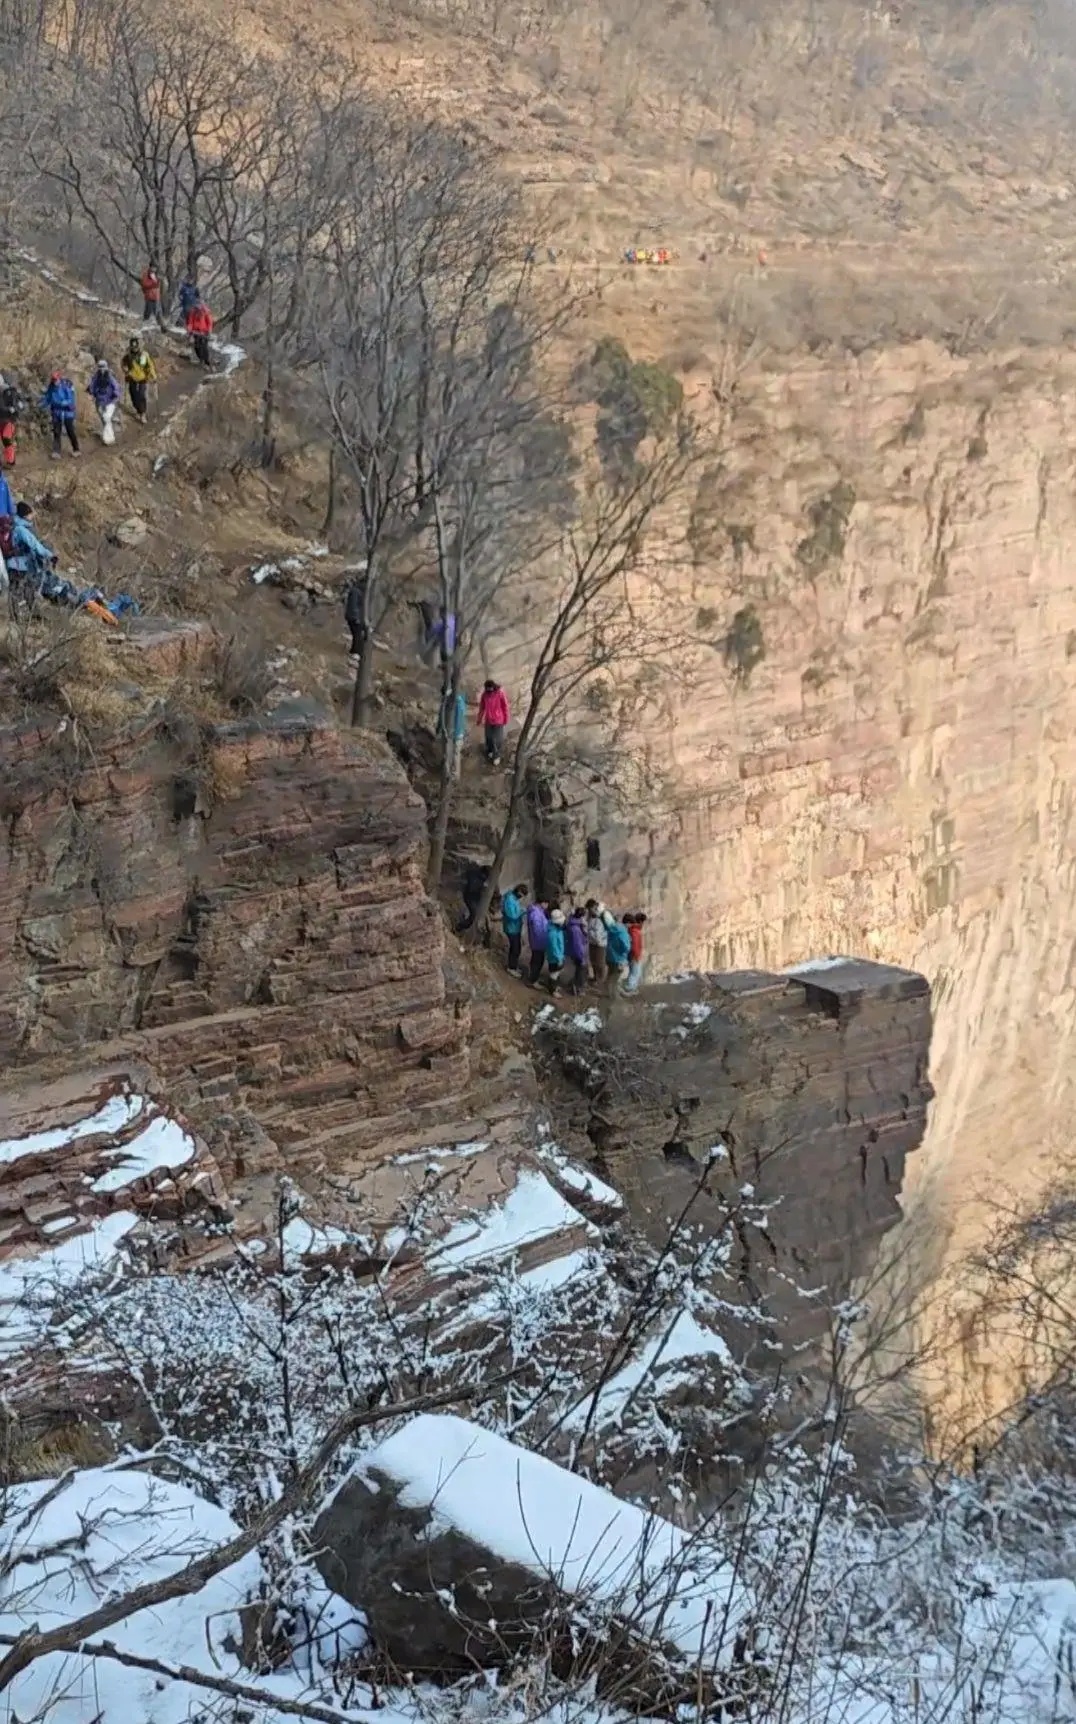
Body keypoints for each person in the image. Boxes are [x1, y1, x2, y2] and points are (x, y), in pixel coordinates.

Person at [5, 501, 58, 584]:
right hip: (18, 563)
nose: (32, 515)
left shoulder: (14, 522)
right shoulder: (21, 530)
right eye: (30, 514)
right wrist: (50, 555)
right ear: (25, 516)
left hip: (13, 560)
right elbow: (34, 545)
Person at [41, 371, 79, 459]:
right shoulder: (51, 387)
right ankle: (56, 451)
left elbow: (71, 399)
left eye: (56, 380)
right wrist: (42, 405)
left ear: (59, 379)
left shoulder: (65, 386)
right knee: (56, 432)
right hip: (56, 412)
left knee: (70, 431)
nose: (55, 382)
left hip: (67, 412)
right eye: (53, 380)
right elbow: (48, 398)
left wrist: (63, 403)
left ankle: (76, 449)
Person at [122, 337, 156, 423]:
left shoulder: (144, 355)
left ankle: (143, 413)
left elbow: (150, 365)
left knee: (141, 395)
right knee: (134, 396)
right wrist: (125, 370)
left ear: (138, 346)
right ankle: (138, 410)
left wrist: (153, 375)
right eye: (132, 347)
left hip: (143, 378)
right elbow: (123, 364)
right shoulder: (128, 356)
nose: (134, 349)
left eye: (135, 347)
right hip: (132, 378)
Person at [477, 678, 510, 765]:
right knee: (488, 738)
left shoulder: (500, 693)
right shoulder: (484, 695)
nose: (489, 691)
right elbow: (482, 708)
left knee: (496, 740)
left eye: (490, 689)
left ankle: (497, 756)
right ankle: (490, 751)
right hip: (488, 719)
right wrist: (479, 719)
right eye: (487, 689)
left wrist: (506, 719)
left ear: (493, 687)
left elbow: (505, 706)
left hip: (499, 720)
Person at [88, 359, 121, 441]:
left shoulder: (110, 376)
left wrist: (116, 393)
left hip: (110, 400)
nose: (101, 369)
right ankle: (110, 435)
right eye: (100, 367)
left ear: (106, 367)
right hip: (99, 400)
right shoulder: (96, 376)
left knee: (106, 417)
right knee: (104, 419)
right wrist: (91, 391)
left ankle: (108, 438)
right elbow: (92, 385)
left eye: (103, 367)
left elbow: (116, 385)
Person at [500, 882, 528, 976]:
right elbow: (512, 915)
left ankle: (514, 966)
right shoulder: (510, 900)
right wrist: (522, 912)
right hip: (511, 928)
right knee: (515, 949)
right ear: (519, 891)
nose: (522, 897)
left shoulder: (514, 898)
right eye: (522, 894)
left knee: (517, 948)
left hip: (515, 928)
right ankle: (511, 968)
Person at [458, 860, 490, 933]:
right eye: (486, 876)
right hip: (470, 898)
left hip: (472, 898)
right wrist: (481, 887)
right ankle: (460, 926)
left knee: (473, 914)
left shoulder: (475, 875)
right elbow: (472, 887)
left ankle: (462, 926)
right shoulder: (476, 878)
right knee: (473, 915)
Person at [604, 911, 632, 993]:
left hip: (609, 956)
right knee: (615, 978)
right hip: (618, 958)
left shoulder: (611, 929)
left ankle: (608, 992)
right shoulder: (622, 932)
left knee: (610, 975)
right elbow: (626, 946)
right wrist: (628, 947)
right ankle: (612, 995)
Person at [525, 896, 549, 986]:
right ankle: (532, 980)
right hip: (538, 941)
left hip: (539, 941)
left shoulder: (539, 912)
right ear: (542, 903)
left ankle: (534, 978)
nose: (547, 906)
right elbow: (537, 928)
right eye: (546, 903)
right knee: (537, 961)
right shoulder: (535, 913)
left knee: (537, 960)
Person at [566, 907, 590, 995]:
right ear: (582, 917)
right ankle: (578, 988)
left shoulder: (573, 924)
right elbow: (577, 944)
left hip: (577, 951)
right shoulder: (576, 929)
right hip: (579, 952)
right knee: (581, 970)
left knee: (578, 970)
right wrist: (581, 956)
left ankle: (575, 985)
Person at [343, 574, 368, 659]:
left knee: (357, 635)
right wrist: (356, 618)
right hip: (354, 617)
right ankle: (355, 653)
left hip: (356, 617)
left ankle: (354, 651)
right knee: (357, 635)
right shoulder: (356, 591)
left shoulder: (360, 592)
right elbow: (353, 605)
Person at [623, 912, 648, 994]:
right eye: (642, 922)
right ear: (640, 922)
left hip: (632, 955)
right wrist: (637, 956)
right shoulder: (635, 931)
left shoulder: (632, 930)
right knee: (635, 973)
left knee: (634, 972)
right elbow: (635, 946)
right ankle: (630, 989)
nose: (643, 925)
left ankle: (631, 988)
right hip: (634, 955)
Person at [0, 377, 22, 469]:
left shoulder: (9, 393)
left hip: (7, 420)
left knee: (7, 441)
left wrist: (10, 411)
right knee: (7, 441)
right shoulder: (8, 392)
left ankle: (11, 461)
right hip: (5, 419)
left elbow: (7, 408)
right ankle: (10, 461)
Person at [586, 899, 608, 987]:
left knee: (600, 963)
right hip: (592, 943)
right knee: (594, 961)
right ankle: (596, 978)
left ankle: (600, 981)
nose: (590, 910)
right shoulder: (591, 917)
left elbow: (597, 933)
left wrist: (590, 932)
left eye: (590, 908)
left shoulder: (600, 917)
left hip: (600, 944)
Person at [186, 298, 213, 367]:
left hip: (204, 332)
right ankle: (201, 359)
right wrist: (189, 330)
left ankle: (207, 361)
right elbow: (190, 322)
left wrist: (209, 332)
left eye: (199, 306)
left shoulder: (206, 312)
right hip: (195, 331)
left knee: (204, 347)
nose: (197, 307)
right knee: (197, 347)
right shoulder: (193, 311)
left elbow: (210, 323)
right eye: (196, 306)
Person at [545, 909, 566, 993]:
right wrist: (559, 959)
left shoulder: (556, 929)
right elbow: (554, 948)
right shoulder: (553, 933)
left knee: (556, 973)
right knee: (554, 974)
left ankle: (554, 987)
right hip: (555, 958)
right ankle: (552, 991)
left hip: (557, 955)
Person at [140, 262, 164, 327]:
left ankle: (160, 326)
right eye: (153, 267)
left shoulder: (155, 275)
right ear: (150, 267)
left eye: (155, 268)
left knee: (157, 313)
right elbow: (145, 284)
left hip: (156, 296)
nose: (154, 269)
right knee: (148, 311)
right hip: (149, 296)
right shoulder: (146, 274)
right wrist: (154, 284)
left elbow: (158, 286)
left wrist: (158, 282)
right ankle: (144, 325)